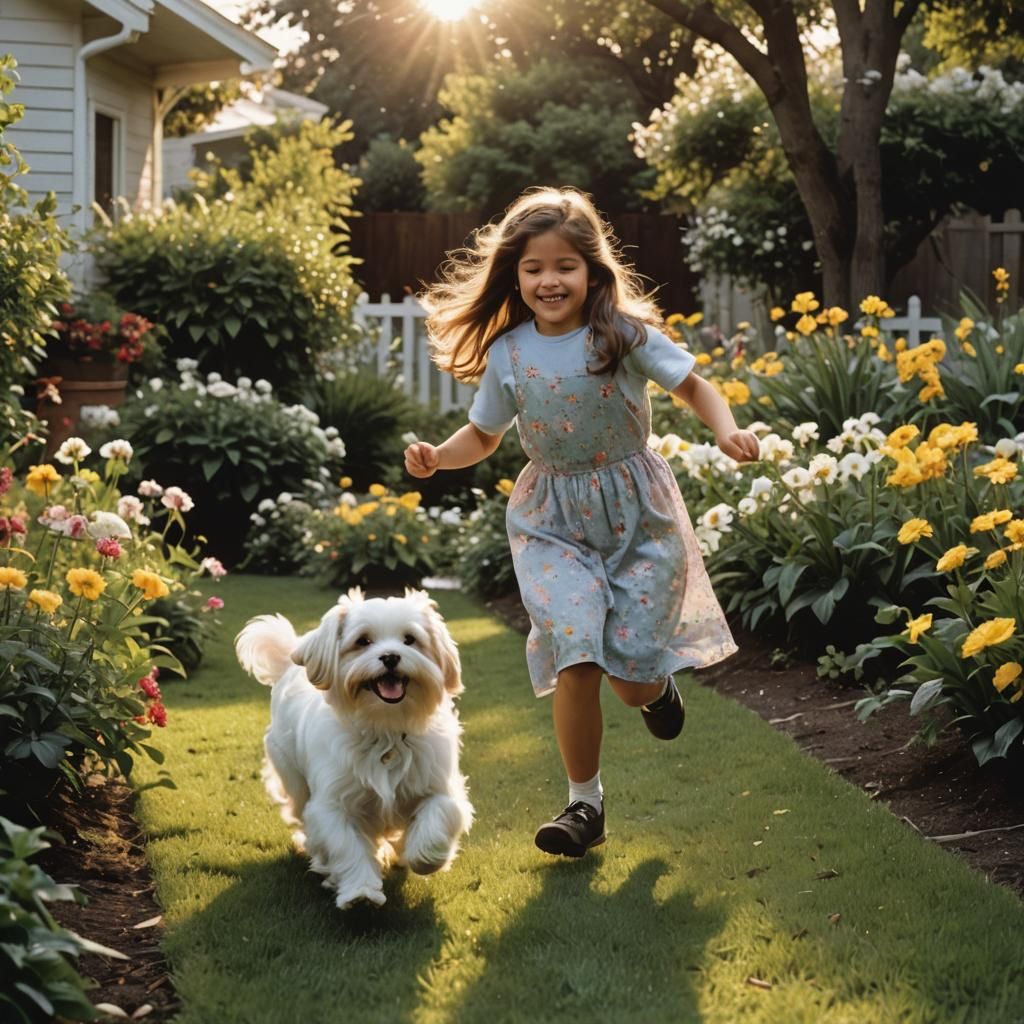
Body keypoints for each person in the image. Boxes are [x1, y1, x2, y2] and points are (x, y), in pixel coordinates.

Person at [404, 186, 760, 859]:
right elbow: (481, 437)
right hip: (551, 521)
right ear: (515, 274)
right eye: (533, 268)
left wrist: (727, 429)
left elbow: (694, 386)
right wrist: (437, 460)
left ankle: (656, 689)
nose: (548, 280)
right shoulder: (510, 353)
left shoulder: (620, 335)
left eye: (564, 265)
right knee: (576, 653)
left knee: (629, 682)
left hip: (637, 516)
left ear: (592, 270)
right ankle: (583, 805)